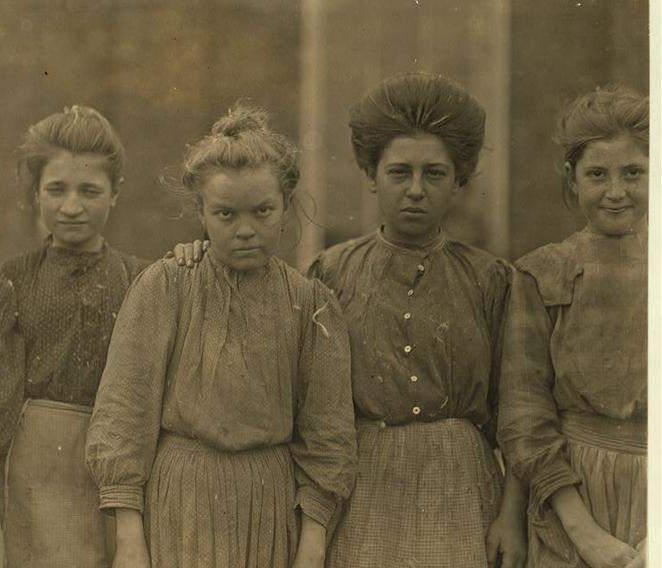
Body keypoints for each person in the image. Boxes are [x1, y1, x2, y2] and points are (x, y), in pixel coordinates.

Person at [85, 105, 357, 568]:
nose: (246, 230)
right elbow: (123, 415)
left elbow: (328, 434)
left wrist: (311, 544)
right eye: (226, 214)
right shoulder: (166, 286)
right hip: (180, 504)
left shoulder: (310, 304)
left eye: (263, 211)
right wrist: (129, 537)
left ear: (286, 205)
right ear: (201, 211)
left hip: (267, 508)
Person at [309, 73, 527, 567]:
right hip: (363, 486)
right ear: (371, 175)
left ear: (460, 183)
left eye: (434, 174)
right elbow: (315, 406)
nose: (415, 190)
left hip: (461, 487)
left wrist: (510, 517)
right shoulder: (330, 272)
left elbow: (517, 409)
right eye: (398, 172)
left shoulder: (492, 279)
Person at [0, 105, 149, 568]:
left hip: (113, 478)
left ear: (115, 192)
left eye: (89, 190)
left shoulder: (143, 281)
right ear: (34, 193)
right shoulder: (11, 282)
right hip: (33, 477)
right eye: (56, 189)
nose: (72, 206)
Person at [498, 87, 648, 568]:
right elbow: (524, 413)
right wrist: (586, 536)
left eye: (634, 173)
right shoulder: (542, 274)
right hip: (569, 497)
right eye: (597, 174)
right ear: (572, 178)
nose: (617, 191)